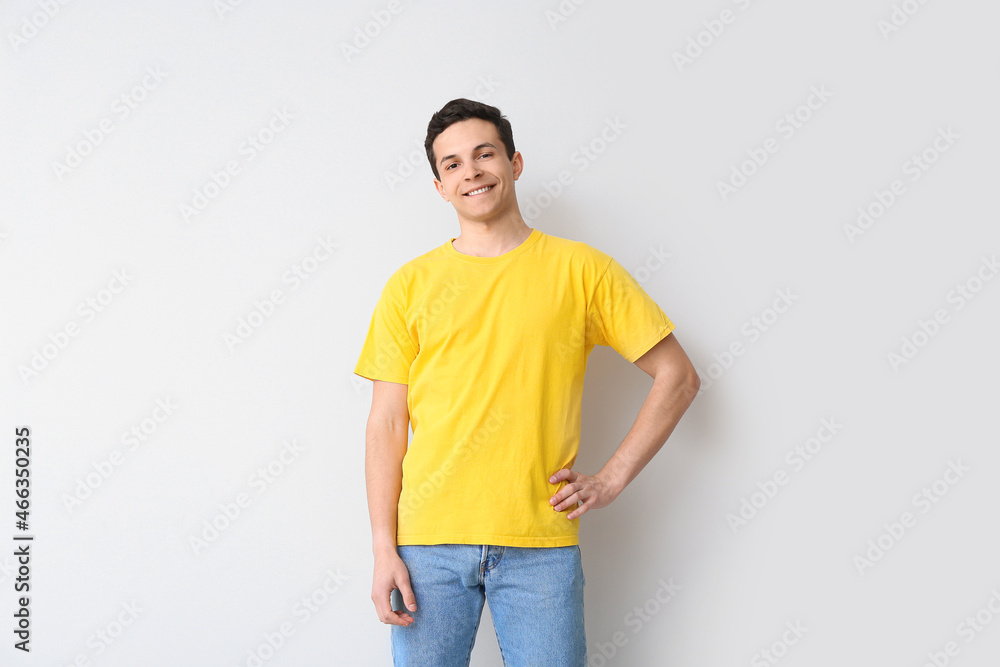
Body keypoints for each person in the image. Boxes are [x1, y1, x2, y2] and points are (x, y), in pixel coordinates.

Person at [354, 98, 700, 666]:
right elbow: (386, 424)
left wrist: (611, 479)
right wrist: (381, 548)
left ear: (514, 163)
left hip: (540, 547)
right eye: (453, 164)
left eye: (484, 154)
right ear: (440, 186)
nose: (471, 172)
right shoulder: (409, 286)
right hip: (427, 548)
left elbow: (678, 377)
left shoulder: (582, 270)